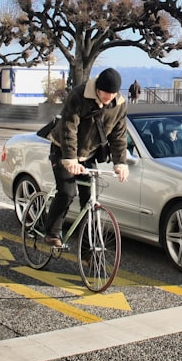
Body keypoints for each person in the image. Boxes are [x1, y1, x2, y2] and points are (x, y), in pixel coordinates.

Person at [43, 68, 130, 247]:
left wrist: (120, 162)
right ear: (97, 88)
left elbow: (119, 135)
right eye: (106, 94)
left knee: (91, 200)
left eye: (113, 94)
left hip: (88, 154)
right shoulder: (78, 95)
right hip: (62, 149)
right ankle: (52, 233)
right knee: (67, 192)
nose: (109, 98)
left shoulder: (119, 104)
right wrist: (70, 159)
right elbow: (69, 128)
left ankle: (88, 249)